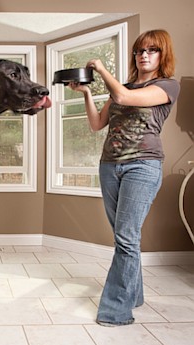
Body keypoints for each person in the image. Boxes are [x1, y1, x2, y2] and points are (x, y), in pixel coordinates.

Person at [69, 29, 180, 326]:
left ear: (162, 55)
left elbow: (123, 96)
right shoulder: (126, 85)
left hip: (142, 166)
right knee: (125, 239)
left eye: (152, 50)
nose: (144, 55)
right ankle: (135, 294)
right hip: (110, 166)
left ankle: (115, 311)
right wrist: (88, 93)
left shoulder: (167, 85)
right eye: (139, 50)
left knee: (126, 238)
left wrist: (102, 69)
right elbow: (97, 124)